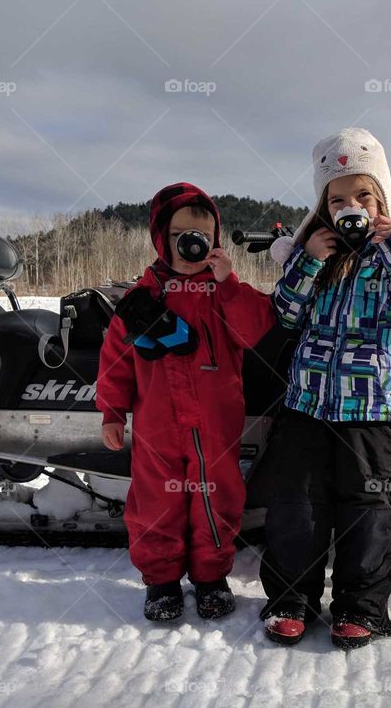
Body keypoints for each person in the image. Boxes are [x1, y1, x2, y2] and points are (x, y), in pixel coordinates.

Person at [259, 128, 391, 649]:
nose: (351, 206)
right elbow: (285, 315)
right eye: (337, 198)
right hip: (308, 403)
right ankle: (291, 600)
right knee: (297, 506)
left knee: (367, 511)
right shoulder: (314, 253)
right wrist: (308, 261)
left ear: (382, 197)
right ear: (323, 206)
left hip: (375, 407)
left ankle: (361, 608)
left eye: (363, 194)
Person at [96, 182, 275, 621]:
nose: (190, 246)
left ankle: (211, 577)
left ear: (214, 241)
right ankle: (161, 582)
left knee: (217, 498)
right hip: (160, 424)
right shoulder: (143, 299)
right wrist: (112, 412)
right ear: (161, 238)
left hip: (216, 424)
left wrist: (228, 282)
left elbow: (257, 329)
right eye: (180, 237)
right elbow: (115, 361)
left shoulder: (224, 292)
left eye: (200, 237)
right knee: (157, 501)